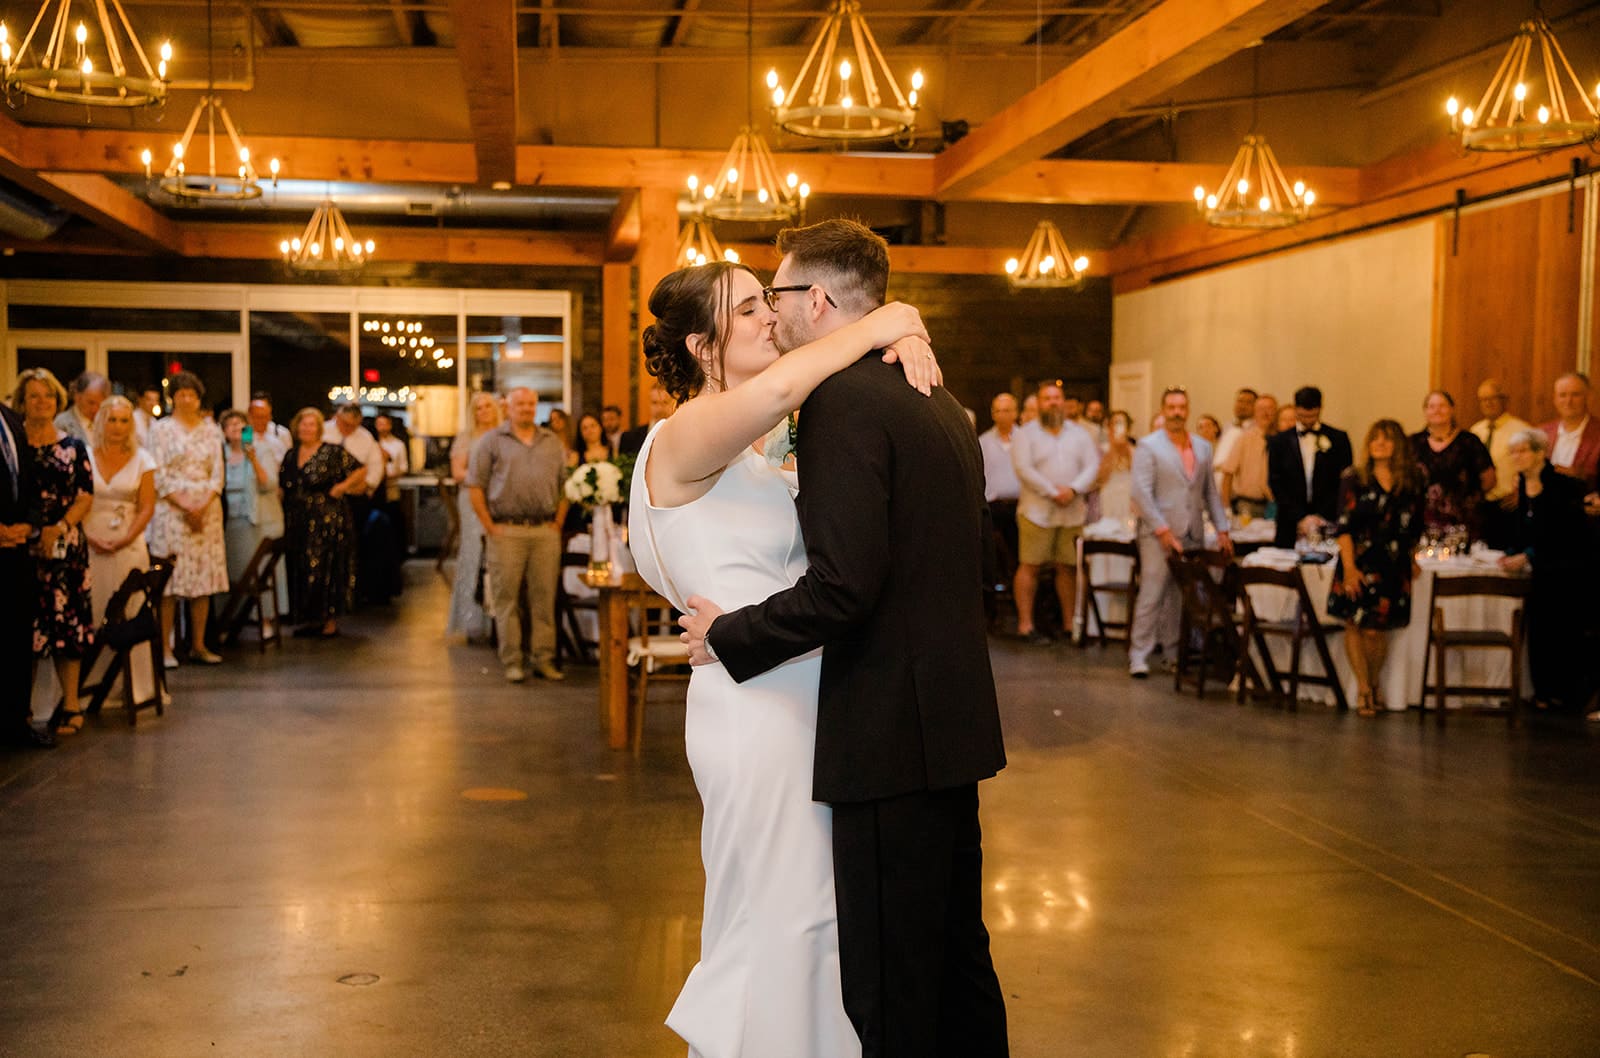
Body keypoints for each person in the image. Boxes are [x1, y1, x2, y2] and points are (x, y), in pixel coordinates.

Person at [668, 221, 1008, 1058]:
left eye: (774, 299)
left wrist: (732, 634)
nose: (772, 318)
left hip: (887, 729)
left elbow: (845, 586)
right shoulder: (938, 398)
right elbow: (978, 554)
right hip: (951, 721)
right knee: (957, 957)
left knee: (890, 978)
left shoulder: (844, 403)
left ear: (816, 300)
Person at [1127, 387, 1231, 679]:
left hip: (1192, 529)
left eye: (1182, 407)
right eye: (1171, 407)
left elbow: (1210, 492)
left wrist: (1222, 529)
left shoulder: (1202, 447)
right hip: (1157, 531)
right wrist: (1162, 530)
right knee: (1153, 590)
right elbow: (1141, 493)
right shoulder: (1149, 446)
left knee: (1180, 595)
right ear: (1163, 409)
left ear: (1187, 410)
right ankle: (1139, 654)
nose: (1176, 412)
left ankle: (1173, 651)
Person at [467, 387, 569, 683]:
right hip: (506, 530)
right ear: (508, 408)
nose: (526, 408)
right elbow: (475, 487)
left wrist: (559, 522)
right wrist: (491, 527)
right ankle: (512, 660)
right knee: (506, 599)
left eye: (530, 404)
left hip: (544, 531)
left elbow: (566, 485)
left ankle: (543, 659)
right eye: (520, 404)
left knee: (544, 598)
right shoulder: (492, 441)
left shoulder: (552, 442)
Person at [1327, 420, 1427, 716]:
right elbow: (1343, 525)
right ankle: (1363, 688)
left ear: (1398, 445)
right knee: (1355, 624)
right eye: (1375, 439)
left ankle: (1373, 682)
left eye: (1387, 439)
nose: (1380, 444)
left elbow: (1416, 524)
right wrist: (1349, 568)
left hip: (1393, 564)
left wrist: (1412, 557)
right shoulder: (1354, 477)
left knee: (1377, 630)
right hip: (1358, 560)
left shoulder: (1411, 479)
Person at [14, 369, 94, 735]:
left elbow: (85, 495)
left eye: (48, 396)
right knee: (23, 628)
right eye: (34, 396)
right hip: (20, 547)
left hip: (65, 548)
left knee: (67, 627)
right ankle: (21, 710)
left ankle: (72, 705)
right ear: (21, 402)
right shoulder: (14, 446)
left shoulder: (73, 446)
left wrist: (59, 527)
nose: (42, 402)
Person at [1499, 428, 1595, 712]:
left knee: (1561, 630)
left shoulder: (1560, 485)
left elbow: (1566, 532)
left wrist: (1529, 554)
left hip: (1565, 569)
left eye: (1523, 450)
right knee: (1539, 629)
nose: (1517, 456)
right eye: (1513, 452)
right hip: (1540, 572)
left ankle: (1564, 695)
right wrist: (1513, 552)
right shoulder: (1523, 486)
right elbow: (1523, 529)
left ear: (1540, 453)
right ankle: (1541, 692)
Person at [146, 371, 227, 667]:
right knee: (170, 582)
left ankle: (198, 644)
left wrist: (202, 504)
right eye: (182, 394)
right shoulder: (161, 430)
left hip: (206, 508)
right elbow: (158, 472)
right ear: (173, 398)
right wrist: (184, 504)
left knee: (202, 581)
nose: (187, 399)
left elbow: (217, 474)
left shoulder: (210, 430)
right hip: (172, 509)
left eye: (192, 395)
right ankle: (165, 648)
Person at [1010, 382, 1100, 644]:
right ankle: (1026, 625)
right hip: (1037, 512)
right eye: (1047, 398)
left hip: (1071, 512)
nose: (1053, 402)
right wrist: (1052, 491)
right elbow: (1023, 468)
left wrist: (1073, 489)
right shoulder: (1025, 434)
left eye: (1057, 398)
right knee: (1030, 566)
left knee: (1068, 568)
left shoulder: (1080, 434)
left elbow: (1092, 465)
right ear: (1039, 403)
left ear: (1064, 401)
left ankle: (1070, 625)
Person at [280, 408, 365, 638]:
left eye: (311, 425)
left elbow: (360, 470)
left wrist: (342, 487)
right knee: (302, 566)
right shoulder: (290, 454)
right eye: (303, 425)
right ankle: (309, 618)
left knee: (326, 568)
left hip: (327, 518)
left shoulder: (332, 452)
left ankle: (329, 620)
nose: (307, 429)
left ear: (319, 428)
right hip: (297, 518)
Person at [1, 387, 50, 746]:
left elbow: (28, 482)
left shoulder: (11, 420)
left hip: (16, 548)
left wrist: (28, 525)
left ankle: (15, 722)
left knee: (16, 636)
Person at [85, 396, 156, 631]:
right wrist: (88, 537)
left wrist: (125, 539)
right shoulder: (84, 456)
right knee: (94, 607)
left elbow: (147, 506)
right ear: (101, 422)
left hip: (128, 542)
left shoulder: (143, 460)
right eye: (112, 420)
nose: (117, 426)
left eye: (124, 421)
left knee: (129, 609)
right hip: (91, 541)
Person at [220, 409, 284, 637]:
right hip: (228, 518)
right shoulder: (221, 454)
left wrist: (253, 458)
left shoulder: (261, 450)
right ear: (225, 431)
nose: (236, 429)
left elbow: (268, 484)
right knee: (230, 571)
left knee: (256, 570)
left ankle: (264, 620)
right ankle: (228, 621)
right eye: (231, 425)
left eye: (240, 425)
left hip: (253, 517)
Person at [1266, 385, 1353, 548]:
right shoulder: (1279, 441)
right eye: (1302, 416)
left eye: (1312, 416)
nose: (1307, 421)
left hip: (1327, 519)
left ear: (1320, 409)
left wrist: (1320, 516)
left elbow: (1343, 482)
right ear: (1296, 409)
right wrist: (1300, 517)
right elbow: (1275, 482)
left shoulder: (1338, 438)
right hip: (1290, 522)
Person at [446, 392, 502, 641]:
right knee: (472, 556)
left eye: (488, 406)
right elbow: (458, 472)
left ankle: (497, 623)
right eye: (478, 408)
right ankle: (469, 621)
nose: (484, 411)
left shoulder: (503, 434)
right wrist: (485, 477)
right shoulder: (466, 438)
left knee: (497, 558)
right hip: (471, 500)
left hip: (499, 501)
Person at [1410, 390, 1494, 539]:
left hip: (1463, 522)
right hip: (1421, 521)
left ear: (1452, 409)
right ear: (1425, 411)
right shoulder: (1413, 443)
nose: (1437, 410)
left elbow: (1489, 479)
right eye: (1431, 406)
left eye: (1442, 405)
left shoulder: (1469, 441)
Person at [1469, 378, 1531, 547]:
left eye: (1492, 398)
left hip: (1508, 506)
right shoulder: (1475, 431)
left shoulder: (1521, 430)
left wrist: (1522, 493)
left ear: (1504, 400)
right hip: (1480, 506)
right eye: (1483, 399)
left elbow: (1533, 468)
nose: (1487, 403)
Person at [978, 393, 1021, 593]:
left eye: (1007, 410)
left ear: (1015, 413)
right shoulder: (983, 441)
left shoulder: (1026, 439)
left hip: (1022, 505)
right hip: (994, 506)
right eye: (997, 410)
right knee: (995, 549)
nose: (1002, 415)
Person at [1540, 372, 1600, 515]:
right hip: (1545, 516)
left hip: (1585, 519)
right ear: (1554, 399)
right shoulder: (1541, 433)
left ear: (1588, 397)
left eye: (1575, 395)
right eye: (1563, 395)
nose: (1568, 401)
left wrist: (1579, 475)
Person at [1217, 392, 1277, 519]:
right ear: (1255, 412)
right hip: (1248, 505)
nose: (1265, 413)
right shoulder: (1244, 438)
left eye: (1270, 409)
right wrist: (1226, 507)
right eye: (1261, 409)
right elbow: (1228, 473)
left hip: (1275, 505)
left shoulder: (1281, 439)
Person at [1091, 409, 1136, 522]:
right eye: (1115, 423)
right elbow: (1096, 480)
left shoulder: (1136, 452)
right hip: (1106, 502)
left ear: (1128, 428)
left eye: (1121, 423)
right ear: (1109, 427)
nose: (1118, 427)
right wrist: (1113, 450)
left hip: (1128, 502)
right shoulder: (1100, 452)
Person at [619, 383, 675, 456]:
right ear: (648, 404)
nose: (659, 408)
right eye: (655, 403)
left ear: (673, 405)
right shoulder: (629, 438)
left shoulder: (682, 437)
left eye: (665, 402)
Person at [54, 370, 109, 444]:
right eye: (91, 403)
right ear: (77, 397)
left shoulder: (108, 421)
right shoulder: (62, 423)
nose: (96, 409)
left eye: (101, 404)